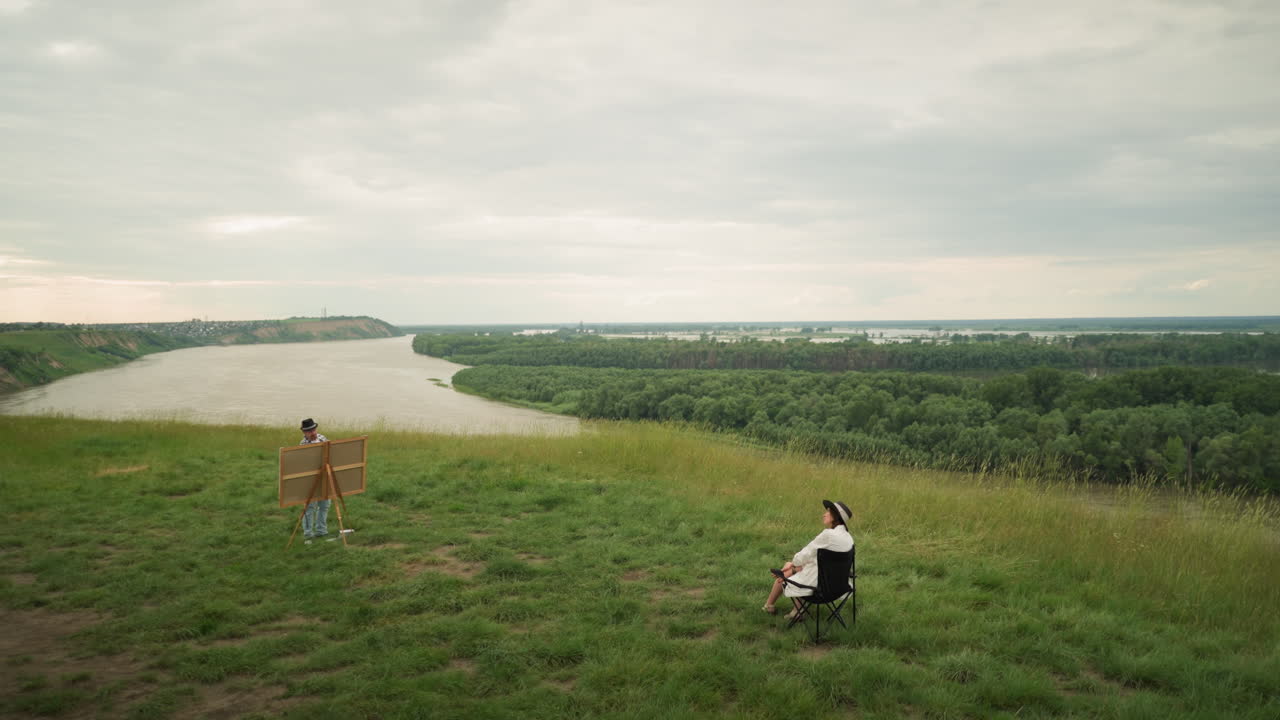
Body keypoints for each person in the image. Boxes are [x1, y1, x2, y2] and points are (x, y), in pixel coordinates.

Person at [763, 500, 853, 617]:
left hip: (820, 588)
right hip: (840, 585)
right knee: (797, 568)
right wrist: (796, 566)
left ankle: (770, 606)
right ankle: (795, 611)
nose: (824, 514)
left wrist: (792, 564)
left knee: (788, 571)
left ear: (835, 516)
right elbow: (821, 558)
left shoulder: (828, 535)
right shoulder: (848, 537)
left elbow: (804, 554)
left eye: (828, 512)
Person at [299, 418, 333, 544]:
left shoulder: (323, 438)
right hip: (310, 479)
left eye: (313, 429)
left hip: (324, 477)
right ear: (304, 432)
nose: (312, 432)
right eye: (309, 431)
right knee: (310, 507)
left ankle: (321, 531)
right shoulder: (303, 444)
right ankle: (308, 534)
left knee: (324, 505)